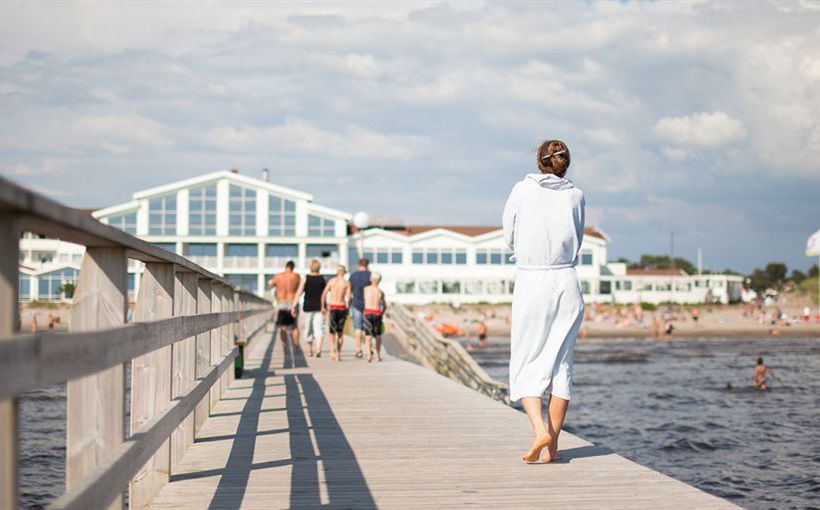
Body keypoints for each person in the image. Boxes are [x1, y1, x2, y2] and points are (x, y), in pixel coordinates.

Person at [503, 139, 584, 464]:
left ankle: (539, 430)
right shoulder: (576, 195)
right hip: (567, 280)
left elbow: (508, 234)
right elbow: (578, 237)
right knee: (562, 364)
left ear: (540, 161)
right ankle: (553, 448)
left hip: (533, 279)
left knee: (527, 358)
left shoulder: (522, 190)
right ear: (565, 163)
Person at [294, 259, 326, 357]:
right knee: (319, 328)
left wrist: (294, 305)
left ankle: (310, 350)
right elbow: (325, 294)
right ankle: (318, 349)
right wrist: (325, 307)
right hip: (320, 308)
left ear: (310, 268)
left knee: (308, 329)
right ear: (319, 268)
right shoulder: (323, 279)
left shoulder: (305, 279)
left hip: (308, 308)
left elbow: (299, 293)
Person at [322, 264, 352, 361]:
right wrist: (348, 309)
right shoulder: (346, 283)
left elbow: (324, 294)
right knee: (340, 332)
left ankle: (332, 351)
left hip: (333, 307)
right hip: (342, 307)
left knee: (332, 331)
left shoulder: (331, 281)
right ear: (344, 272)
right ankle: (338, 354)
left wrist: (323, 307)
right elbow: (349, 298)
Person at [269, 260, 301, 347]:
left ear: (286, 266)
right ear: (293, 268)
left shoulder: (278, 276)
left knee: (282, 326)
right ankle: (296, 345)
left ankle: (284, 345)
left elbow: (271, 286)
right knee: (295, 326)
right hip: (292, 303)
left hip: (281, 303)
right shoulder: (296, 276)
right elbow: (300, 289)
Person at [349, 258, 371, 358]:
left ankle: (359, 350)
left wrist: (348, 305)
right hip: (368, 305)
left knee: (358, 328)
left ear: (359, 265)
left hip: (356, 304)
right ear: (367, 265)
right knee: (368, 329)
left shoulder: (353, 276)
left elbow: (349, 292)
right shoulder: (371, 275)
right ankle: (368, 350)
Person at [363, 272, 386, 363]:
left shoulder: (365, 289)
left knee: (368, 336)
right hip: (377, 313)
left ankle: (369, 355)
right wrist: (381, 313)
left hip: (368, 312)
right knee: (378, 336)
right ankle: (378, 355)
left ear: (371, 279)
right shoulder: (381, 292)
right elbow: (385, 306)